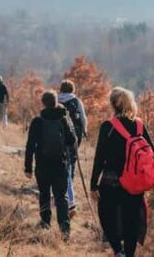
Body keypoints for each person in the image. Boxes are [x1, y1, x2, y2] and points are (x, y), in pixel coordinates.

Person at [90, 87, 154, 257]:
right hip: (135, 183)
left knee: (107, 216)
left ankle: (118, 251)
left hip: (112, 181)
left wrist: (93, 185)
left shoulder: (108, 127)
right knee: (130, 221)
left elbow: (99, 157)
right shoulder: (139, 126)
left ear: (112, 104)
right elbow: (152, 152)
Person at [24, 90, 77, 240]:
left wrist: (28, 168)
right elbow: (72, 141)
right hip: (60, 164)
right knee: (61, 196)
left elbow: (30, 146)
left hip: (42, 165)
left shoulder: (37, 121)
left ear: (43, 103)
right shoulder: (63, 119)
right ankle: (64, 227)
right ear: (56, 102)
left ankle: (45, 223)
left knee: (44, 194)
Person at [57, 79, 88, 217]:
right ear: (72, 89)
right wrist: (84, 130)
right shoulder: (76, 101)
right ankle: (70, 186)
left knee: (61, 161)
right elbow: (83, 117)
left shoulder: (56, 100)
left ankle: (63, 191)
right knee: (71, 161)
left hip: (59, 135)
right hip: (75, 135)